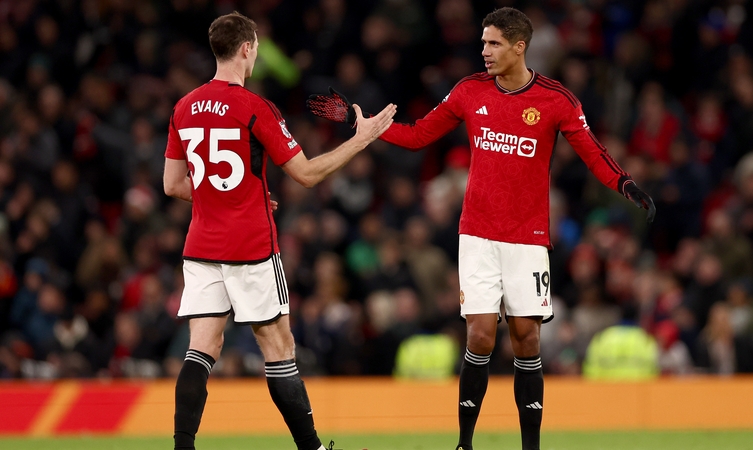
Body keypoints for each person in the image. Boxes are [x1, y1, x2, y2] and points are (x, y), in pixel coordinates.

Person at [307, 7, 654, 450]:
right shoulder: (469, 91)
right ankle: (464, 443)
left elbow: (592, 152)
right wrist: (365, 126)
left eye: (493, 43)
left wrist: (625, 184)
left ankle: (531, 446)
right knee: (480, 334)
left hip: (528, 238)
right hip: (478, 234)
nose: (484, 51)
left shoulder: (556, 100)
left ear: (519, 46)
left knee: (527, 339)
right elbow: (416, 135)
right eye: (483, 43)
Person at [163, 11, 395, 450]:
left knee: (201, 349)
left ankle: (182, 447)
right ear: (248, 49)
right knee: (279, 347)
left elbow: (173, 185)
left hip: (200, 247)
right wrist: (362, 139)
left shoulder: (184, 106)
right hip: (250, 247)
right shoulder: (254, 107)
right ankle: (311, 449)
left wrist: (229, 195)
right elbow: (306, 174)